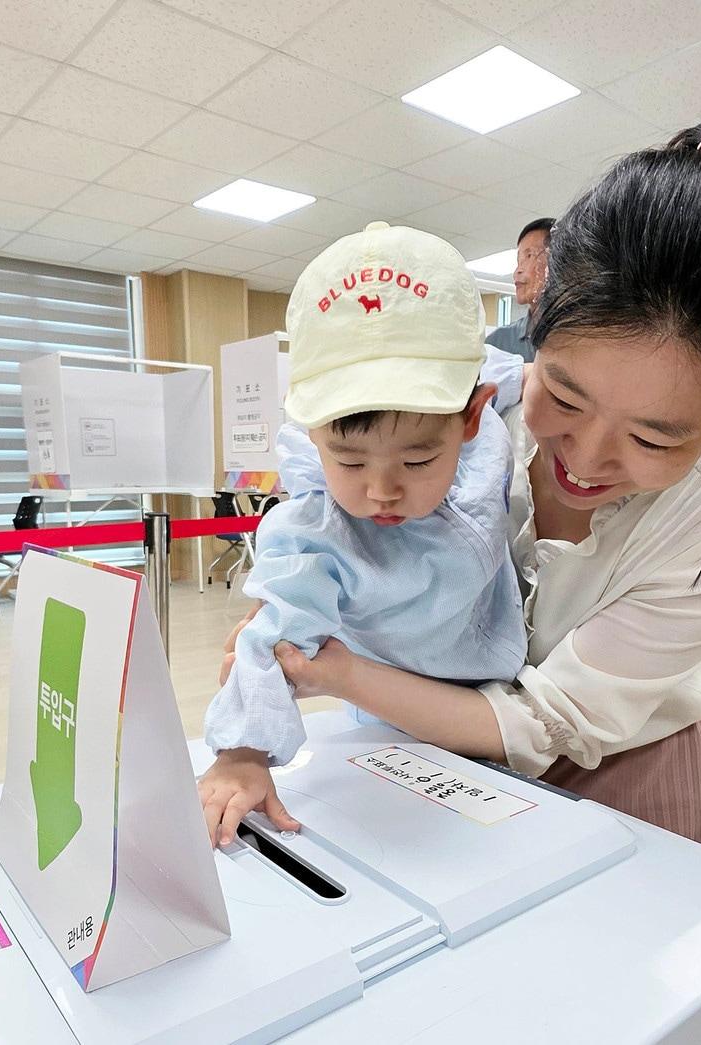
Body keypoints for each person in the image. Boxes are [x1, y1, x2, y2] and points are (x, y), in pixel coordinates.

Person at [220, 107, 701, 847]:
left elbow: (554, 724)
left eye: (651, 437)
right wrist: (294, 621)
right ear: (535, 330)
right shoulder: (445, 407)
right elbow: (332, 531)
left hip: (615, 769)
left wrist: (339, 673)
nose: (587, 460)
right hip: (415, 751)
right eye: (565, 397)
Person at [200, 221, 527, 846]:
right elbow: (275, 636)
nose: (381, 491)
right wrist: (242, 753)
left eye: (418, 460)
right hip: (390, 721)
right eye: (349, 462)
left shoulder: (482, 433)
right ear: (314, 433)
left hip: (499, 712)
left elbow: (501, 368)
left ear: (471, 418)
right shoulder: (320, 530)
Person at [485, 217, 554, 362]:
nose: (517, 271)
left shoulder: (583, 339)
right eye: (519, 261)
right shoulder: (498, 344)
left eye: (529, 256)